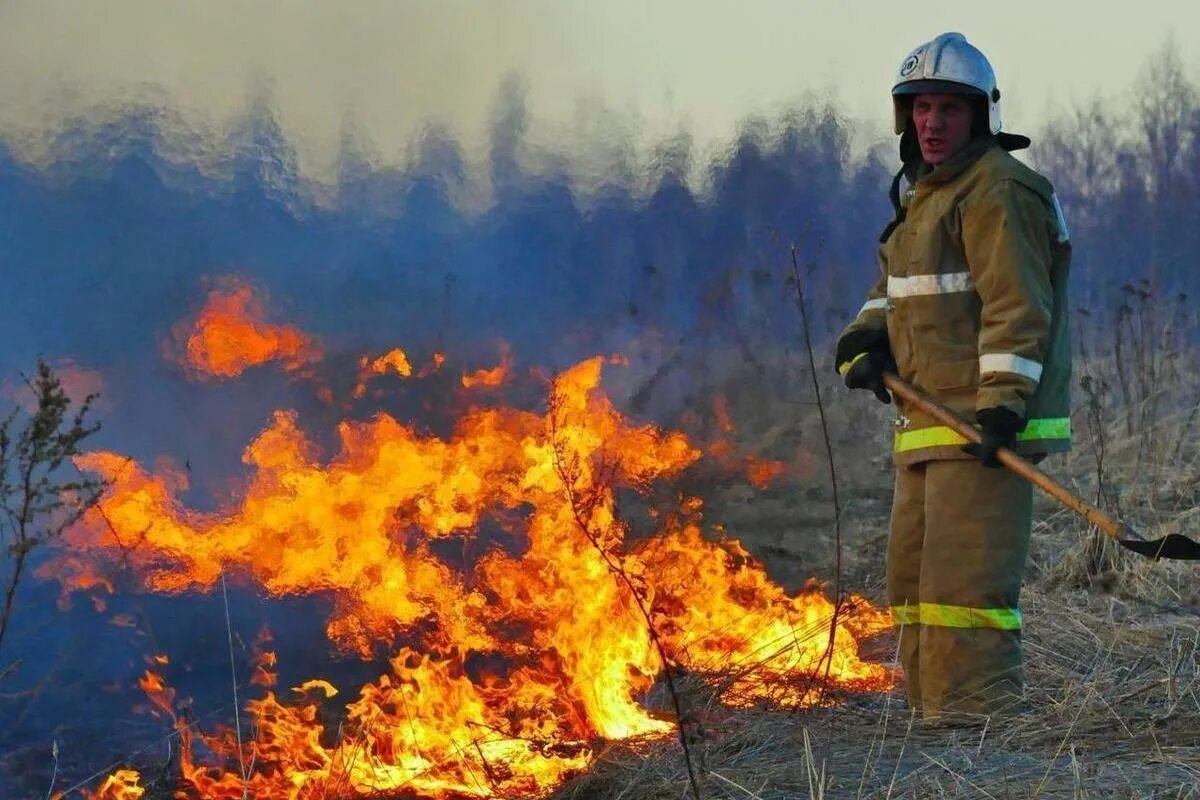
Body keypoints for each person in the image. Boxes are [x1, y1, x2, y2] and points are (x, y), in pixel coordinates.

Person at [834, 32, 1072, 722]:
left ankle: (978, 728)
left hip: (981, 426)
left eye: (948, 109)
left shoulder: (999, 189)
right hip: (927, 423)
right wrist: (863, 337)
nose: (931, 123)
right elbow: (897, 291)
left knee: (966, 589)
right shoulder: (926, 199)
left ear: (981, 117)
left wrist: (1002, 406)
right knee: (915, 585)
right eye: (920, 108)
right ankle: (931, 713)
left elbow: (1016, 306)